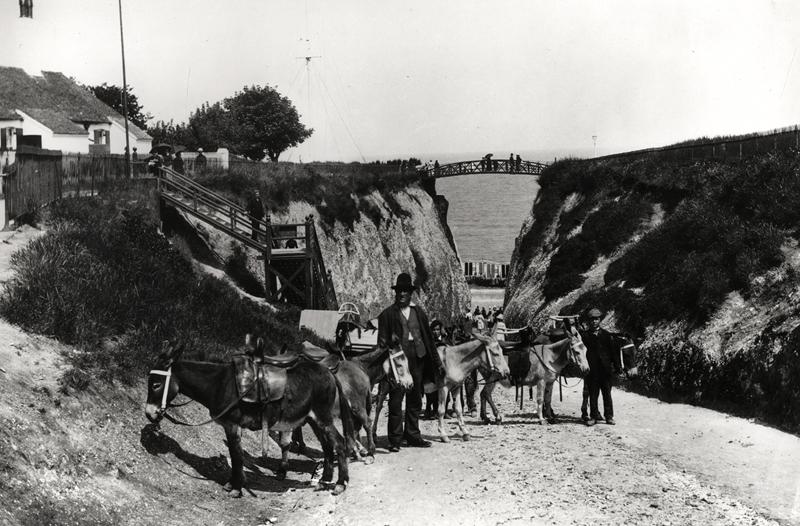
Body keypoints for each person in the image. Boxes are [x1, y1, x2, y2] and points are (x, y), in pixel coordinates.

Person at [377, 273, 444, 451]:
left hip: (419, 360)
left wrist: (437, 363)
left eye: (405, 291)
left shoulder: (418, 313)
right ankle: (395, 440)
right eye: (399, 291)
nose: (402, 294)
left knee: (415, 400)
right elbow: (381, 344)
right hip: (398, 362)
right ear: (396, 293)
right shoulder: (387, 315)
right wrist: (389, 346)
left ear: (411, 293)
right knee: (396, 401)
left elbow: (429, 340)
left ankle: (413, 436)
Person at [581, 308, 622, 426]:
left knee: (607, 394)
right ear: (589, 321)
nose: (594, 321)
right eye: (592, 319)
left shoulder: (607, 335)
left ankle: (609, 416)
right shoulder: (585, 336)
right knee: (593, 394)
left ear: (600, 320)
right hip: (592, 371)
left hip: (605, 370)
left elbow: (613, 352)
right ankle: (593, 416)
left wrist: (617, 366)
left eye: (596, 319)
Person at [424, 320, 447, 419]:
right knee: (430, 392)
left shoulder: (445, 339)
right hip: (430, 369)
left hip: (442, 368)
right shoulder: (429, 341)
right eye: (433, 330)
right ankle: (430, 409)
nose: (435, 332)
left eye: (438, 329)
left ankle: (440, 410)